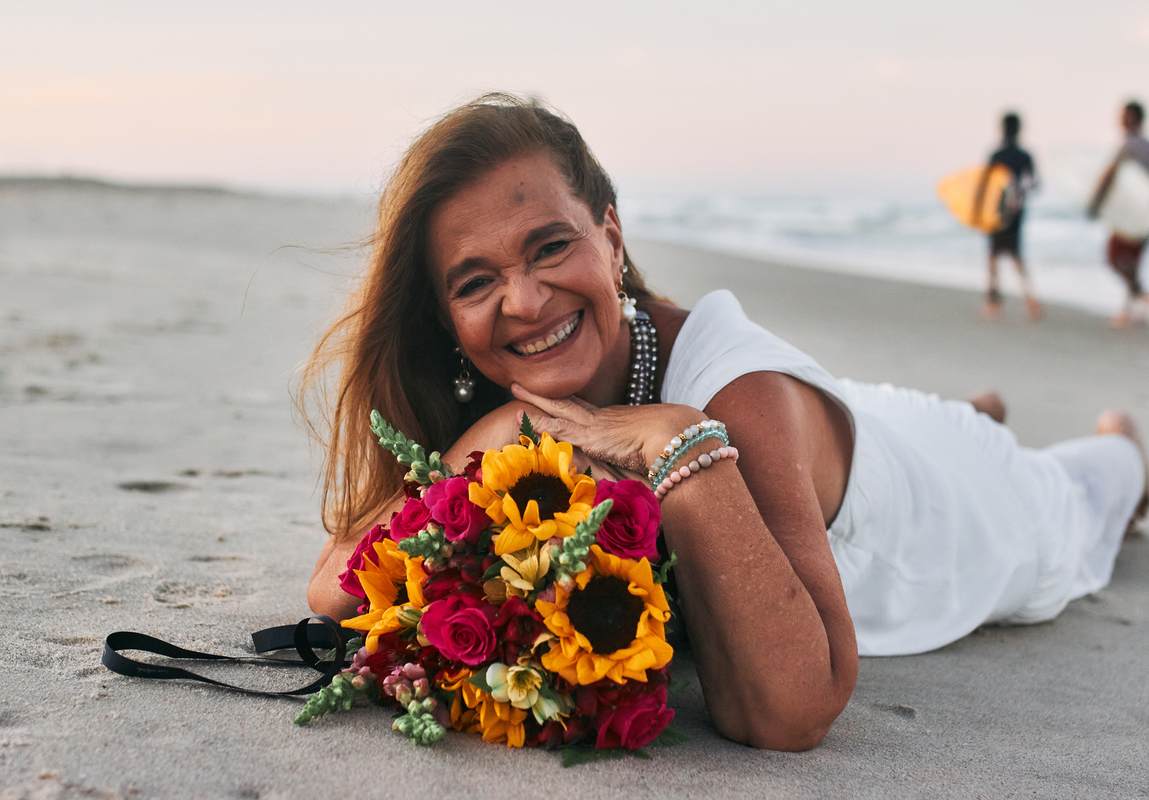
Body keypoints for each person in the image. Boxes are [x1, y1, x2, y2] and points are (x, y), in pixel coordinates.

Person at [303, 95, 1147, 751]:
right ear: (445, 316)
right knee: (871, 414)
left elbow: (790, 712)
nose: (523, 300)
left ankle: (1112, 444)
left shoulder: (733, 392)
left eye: (551, 247)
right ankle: (962, 409)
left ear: (611, 235)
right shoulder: (521, 397)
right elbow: (336, 583)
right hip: (836, 438)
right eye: (475, 281)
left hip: (959, 513)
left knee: (1077, 492)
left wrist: (676, 443)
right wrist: (494, 435)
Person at [973, 112, 1041, 320]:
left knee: (994, 256)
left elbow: (984, 186)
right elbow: (1035, 184)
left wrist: (977, 211)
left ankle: (994, 302)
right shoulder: (1024, 155)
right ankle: (1029, 299)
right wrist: (1020, 193)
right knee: (1015, 254)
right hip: (1016, 211)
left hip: (998, 211)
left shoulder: (997, 155)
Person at [1088, 100, 1149, 328]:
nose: (1121, 119)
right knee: (1131, 261)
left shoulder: (1129, 146)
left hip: (1129, 217)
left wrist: (1095, 203)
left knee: (1115, 258)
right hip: (1144, 216)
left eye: (1125, 115)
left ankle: (1139, 297)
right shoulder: (1146, 146)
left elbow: (1110, 176)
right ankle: (1131, 307)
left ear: (1134, 118)